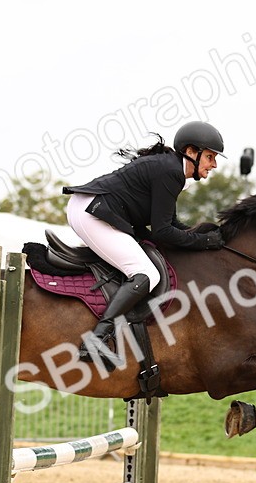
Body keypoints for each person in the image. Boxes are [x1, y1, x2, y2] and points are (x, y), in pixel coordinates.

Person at [61, 121, 226, 361]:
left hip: (94, 208)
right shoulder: (170, 171)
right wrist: (204, 242)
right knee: (147, 274)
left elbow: (171, 224)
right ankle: (95, 341)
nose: (214, 164)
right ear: (191, 152)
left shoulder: (172, 169)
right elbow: (162, 232)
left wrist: (202, 237)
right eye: (210, 157)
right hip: (91, 212)